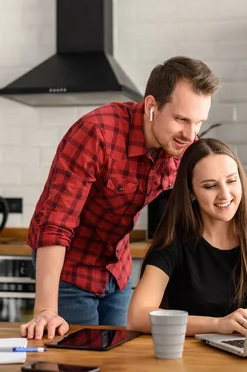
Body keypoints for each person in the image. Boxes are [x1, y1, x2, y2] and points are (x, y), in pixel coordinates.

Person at [20, 56, 219, 340]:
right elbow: (56, 223)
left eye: (199, 122)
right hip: (68, 272)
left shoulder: (183, 144)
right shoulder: (97, 133)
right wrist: (45, 310)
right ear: (152, 107)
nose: (191, 134)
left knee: (123, 357)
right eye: (181, 119)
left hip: (117, 271)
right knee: (77, 361)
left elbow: (204, 204)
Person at [127, 138, 247, 336]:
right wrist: (217, 324)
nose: (224, 194)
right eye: (210, 186)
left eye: (231, 181)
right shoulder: (173, 244)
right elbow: (137, 316)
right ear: (191, 193)